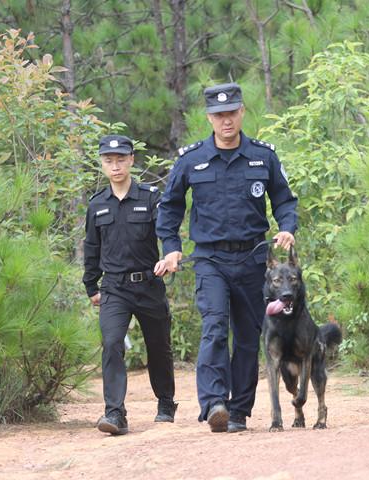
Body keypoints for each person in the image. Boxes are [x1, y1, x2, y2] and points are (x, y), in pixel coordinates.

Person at [154, 83, 298, 433]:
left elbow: (284, 199)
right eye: (219, 115)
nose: (226, 120)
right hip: (210, 260)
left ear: (242, 112)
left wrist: (287, 227)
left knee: (249, 336)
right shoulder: (192, 160)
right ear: (209, 118)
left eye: (232, 112)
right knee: (215, 327)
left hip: (252, 259)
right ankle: (214, 402)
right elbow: (169, 209)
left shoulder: (263, 156)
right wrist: (171, 247)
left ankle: (238, 411)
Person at [83, 134, 177, 436]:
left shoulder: (150, 197)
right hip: (114, 289)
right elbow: (91, 248)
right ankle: (115, 412)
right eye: (109, 161)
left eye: (121, 159)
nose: (115, 166)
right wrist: (91, 287)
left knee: (158, 347)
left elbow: (166, 230)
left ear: (131, 160)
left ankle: (165, 402)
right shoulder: (96, 205)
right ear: (102, 164)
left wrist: (169, 255)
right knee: (111, 344)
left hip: (149, 285)